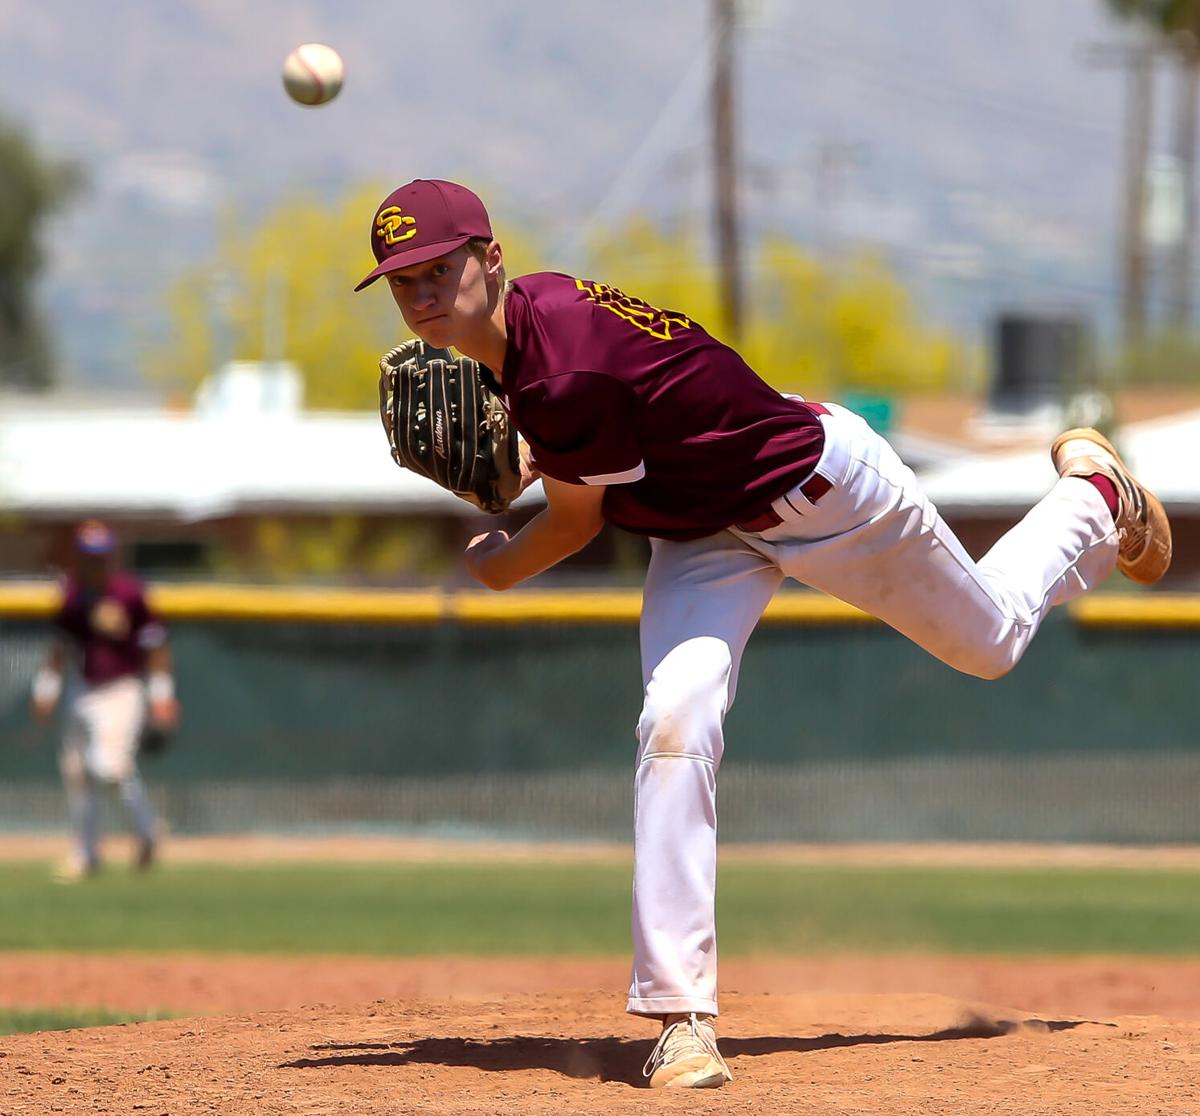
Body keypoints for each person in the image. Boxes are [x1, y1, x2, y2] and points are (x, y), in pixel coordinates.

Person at [355, 179, 1171, 1089]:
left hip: (822, 493)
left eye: (439, 270)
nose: (422, 295)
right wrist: (529, 448)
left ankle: (1094, 494)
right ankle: (682, 1020)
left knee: (990, 641)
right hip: (702, 531)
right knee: (675, 716)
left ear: (489, 258)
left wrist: (489, 562)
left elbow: (575, 524)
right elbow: (613, 427)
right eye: (402, 282)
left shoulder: (562, 372)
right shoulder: (533, 329)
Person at [30, 520, 180, 880]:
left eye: (99, 556)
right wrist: (46, 689)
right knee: (78, 774)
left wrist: (163, 695)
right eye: (87, 556)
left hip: (122, 688)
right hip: (82, 689)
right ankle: (86, 854)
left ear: (109, 556)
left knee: (109, 767)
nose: (93, 563)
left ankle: (146, 830)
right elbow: (59, 649)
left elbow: (156, 647)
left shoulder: (128, 593)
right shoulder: (72, 596)